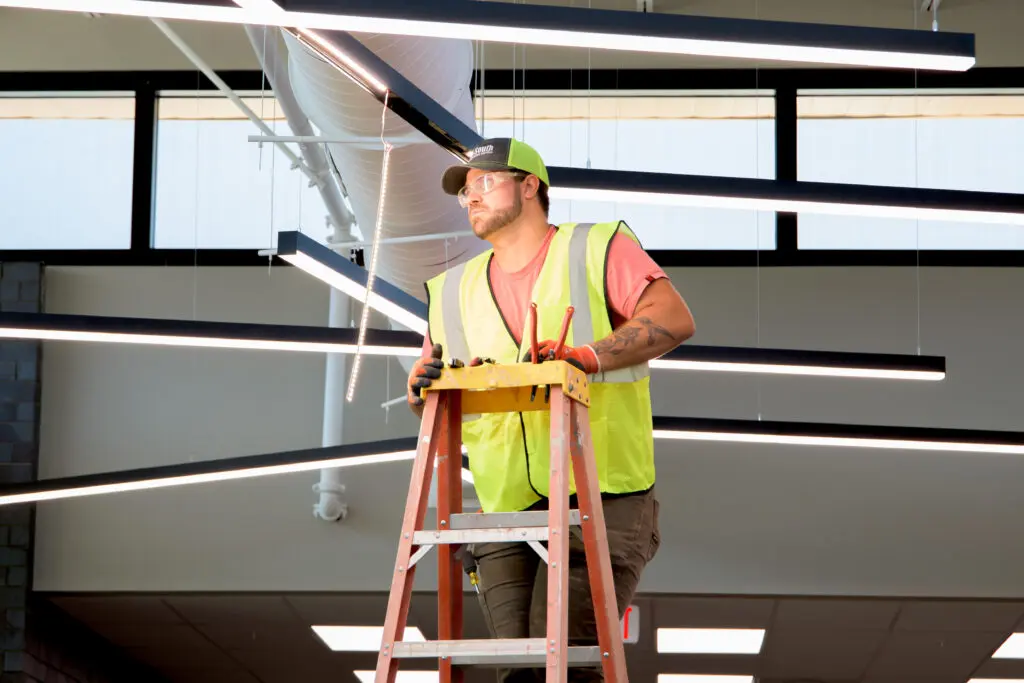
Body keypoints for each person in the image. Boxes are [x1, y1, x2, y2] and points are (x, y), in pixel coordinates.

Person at [406, 137, 695, 681]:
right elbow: (434, 401)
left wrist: (583, 357)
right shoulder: (452, 291)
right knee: (519, 672)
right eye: (465, 191)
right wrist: (418, 389)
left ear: (530, 185)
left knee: (564, 662)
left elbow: (673, 318)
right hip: (505, 508)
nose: (472, 198)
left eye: (485, 183)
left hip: (603, 493)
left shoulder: (595, 247)